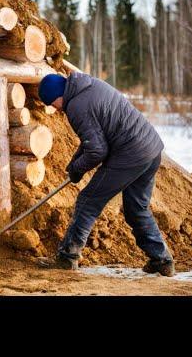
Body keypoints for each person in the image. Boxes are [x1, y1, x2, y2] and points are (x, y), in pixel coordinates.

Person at [35, 72, 175, 276]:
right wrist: (75, 165)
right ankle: (162, 260)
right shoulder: (88, 87)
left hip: (131, 153)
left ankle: (68, 257)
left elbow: (97, 150)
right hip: (151, 149)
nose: (54, 108)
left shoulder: (76, 106)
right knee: (137, 208)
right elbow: (93, 141)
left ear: (57, 95)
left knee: (88, 200)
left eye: (51, 103)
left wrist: (77, 169)